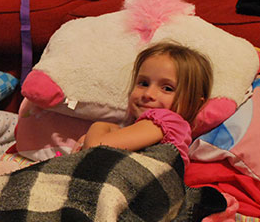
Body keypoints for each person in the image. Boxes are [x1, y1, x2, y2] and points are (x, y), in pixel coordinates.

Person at [77, 41, 212, 164]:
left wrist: (99, 126)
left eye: (167, 88)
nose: (148, 94)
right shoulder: (154, 129)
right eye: (143, 83)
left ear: (195, 103)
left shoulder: (167, 120)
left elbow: (95, 148)